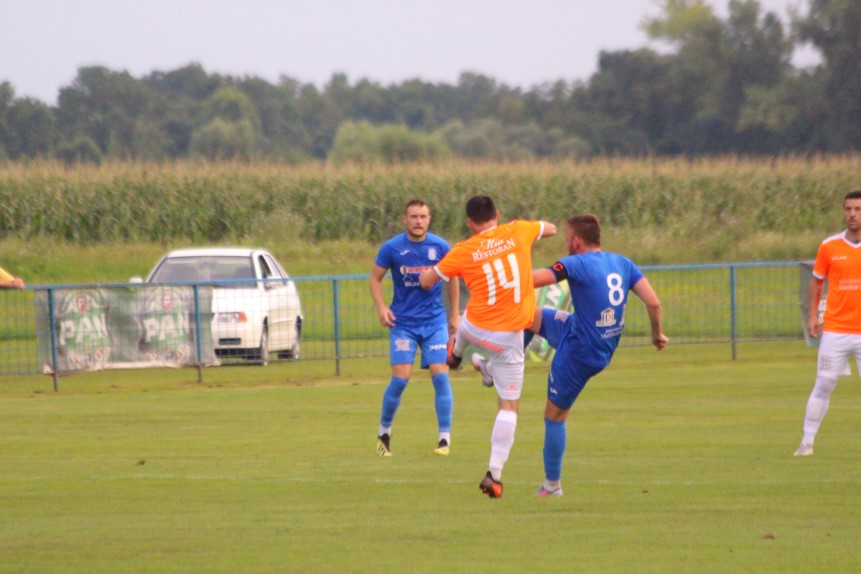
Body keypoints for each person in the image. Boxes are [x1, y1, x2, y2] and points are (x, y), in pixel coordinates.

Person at [480, 214, 667, 496]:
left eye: (567, 238)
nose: (566, 243)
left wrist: (498, 273)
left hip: (580, 352)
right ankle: (496, 369)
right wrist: (657, 335)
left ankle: (552, 486)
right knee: (529, 317)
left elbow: (533, 280)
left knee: (554, 416)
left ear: (576, 241)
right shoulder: (623, 263)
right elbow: (654, 303)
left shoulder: (576, 263)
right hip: (583, 332)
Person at [419, 195, 556, 498]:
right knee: (508, 407)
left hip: (475, 326)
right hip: (507, 336)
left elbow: (427, 281)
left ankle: (459, 356)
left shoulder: (463, 250)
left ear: (470, 222)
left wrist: (432, 271)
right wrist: (528, 233)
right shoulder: (518, 230)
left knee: (466, 323)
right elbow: (551, 229)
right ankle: (494, 475)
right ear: (497, 214)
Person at [370, 199, 460, 457]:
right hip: (403, 324)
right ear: (405, 220)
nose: (418, 221)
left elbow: (452, 279)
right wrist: (381, 308)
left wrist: (454, 315)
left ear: (429, 219)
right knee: (400, 380)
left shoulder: (440, 246)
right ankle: (384, 434)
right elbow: (374, 279)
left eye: (422, 216)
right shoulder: (392, 248)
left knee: (440, 376)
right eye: (413, 217)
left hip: (434, 322)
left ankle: (444, 440)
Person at [794, 189, 861, 457]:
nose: (852, 214)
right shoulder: (829, 246)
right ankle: (806, 443)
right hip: (835, 331)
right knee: (824, 384)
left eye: (858, 209)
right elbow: (816, 282)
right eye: (848, 209)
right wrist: (813, 315)